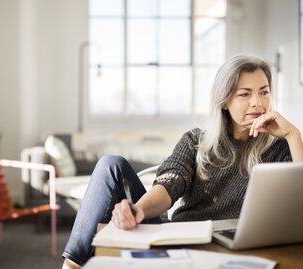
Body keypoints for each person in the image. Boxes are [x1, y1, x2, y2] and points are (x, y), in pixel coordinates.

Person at [62, 55, 303, 269]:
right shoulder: (195, 140)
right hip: (181, 238)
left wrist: (294, 136)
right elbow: (168, 187)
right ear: (224, 101)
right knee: (110, 164)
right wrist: (139, 210)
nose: (257, 103)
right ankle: (71, 265)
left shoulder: (280, 147)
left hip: (234, 246)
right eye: (244, 94)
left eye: (264, 91)